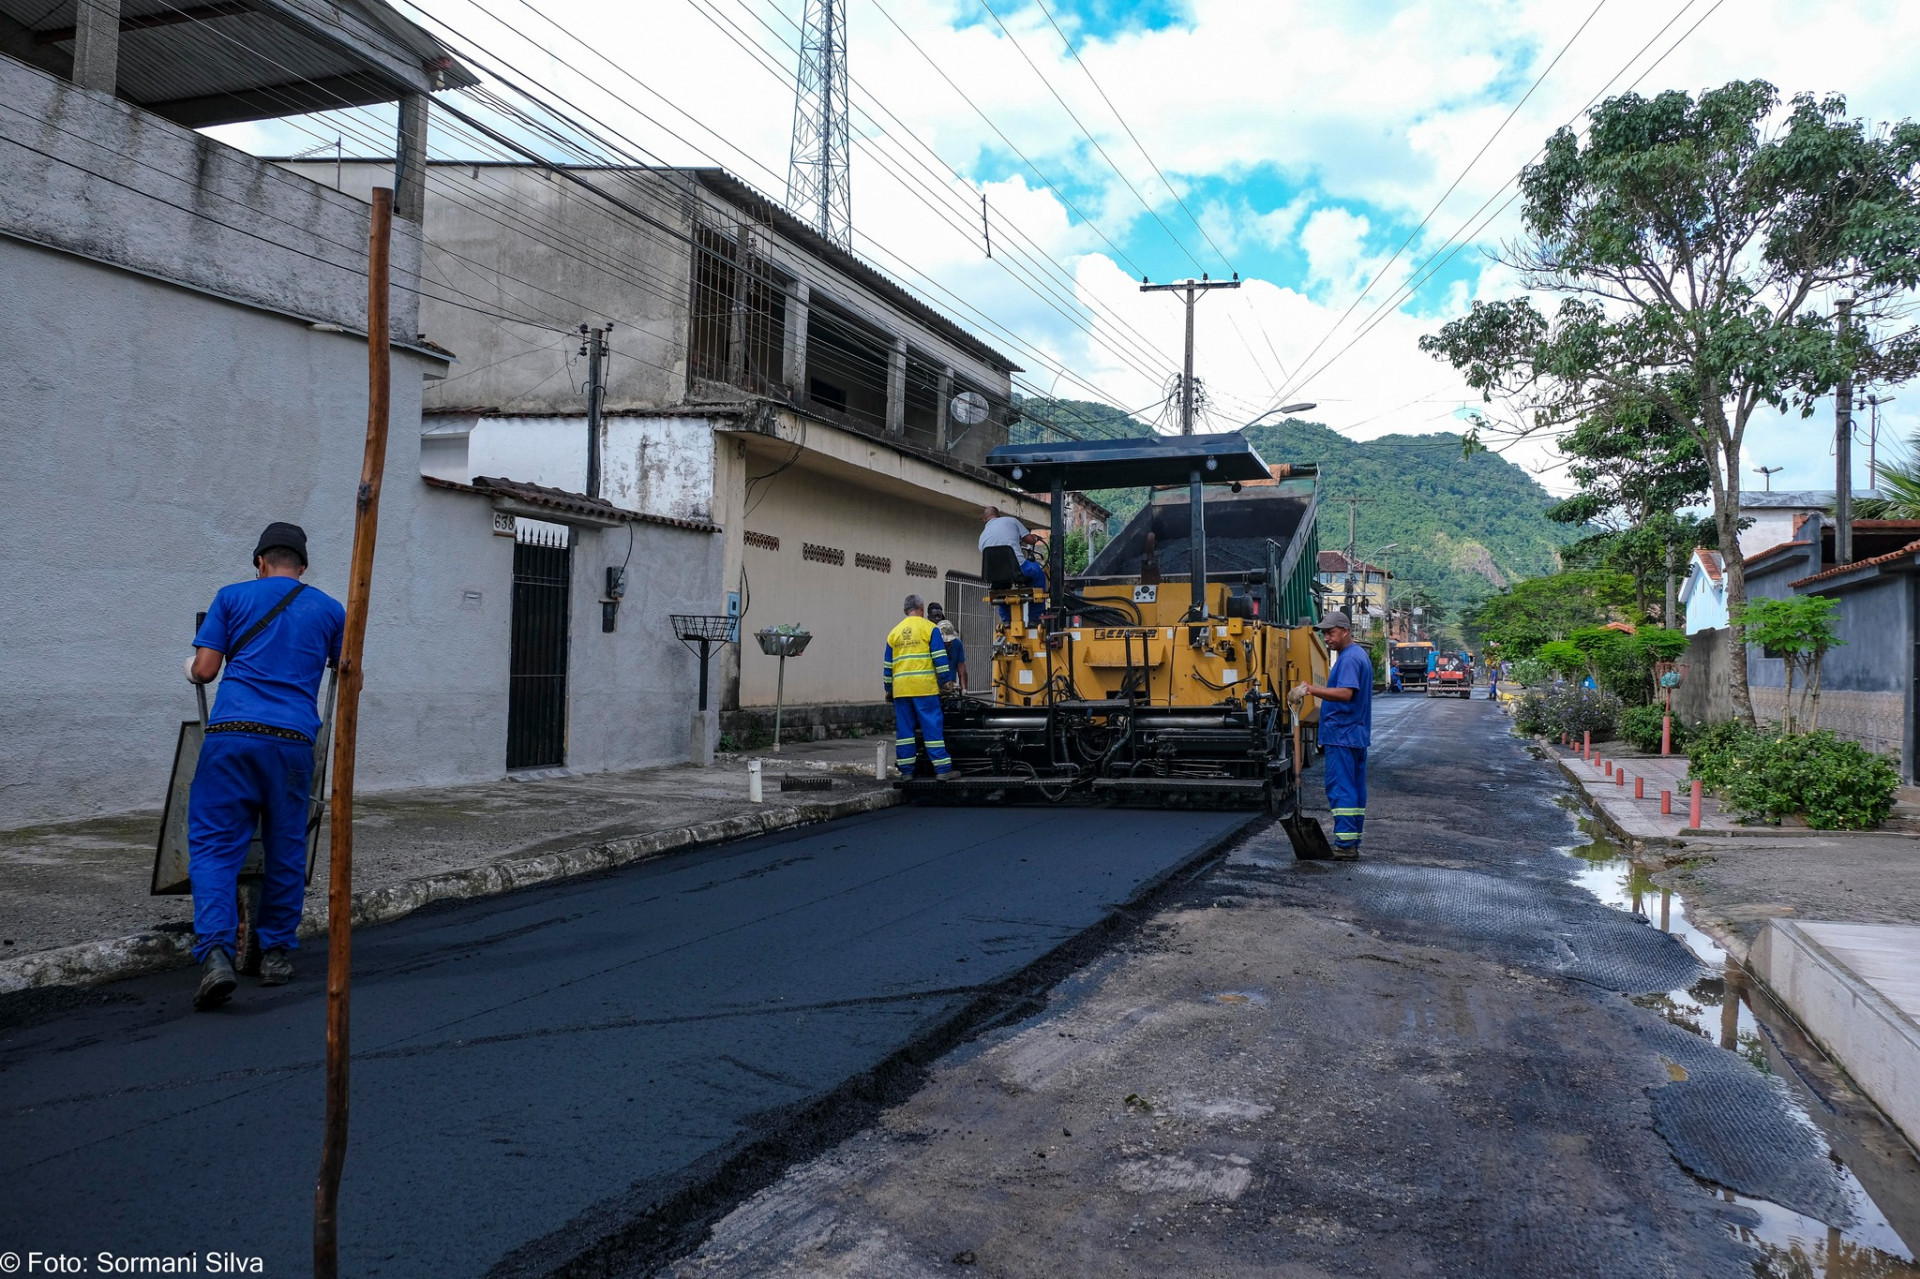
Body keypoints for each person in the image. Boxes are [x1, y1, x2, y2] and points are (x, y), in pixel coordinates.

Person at [184, 522, 345, 1010]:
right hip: (294, 741)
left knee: (214, 847)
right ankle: (275, 952)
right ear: (304, 566)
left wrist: (190, 668)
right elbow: (346, 672)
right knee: (287, 844)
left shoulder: (232, 597)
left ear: (259, 562)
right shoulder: (330, 609)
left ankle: (215, 953)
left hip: (231, 737)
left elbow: (206, 670)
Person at [1292, 609, 1372, 860]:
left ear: (1345, 631)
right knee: (1355, 789)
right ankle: (1351, 839)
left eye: (1331, 633)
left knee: (1341, 788)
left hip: (1342, 735)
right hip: (1355, 734)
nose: (1326, 638)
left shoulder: (1348, 658)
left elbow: (1346, 693)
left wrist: (1310, 690)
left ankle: (1345, 846)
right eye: (1324, 633)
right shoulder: (1359, 655)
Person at [884, 594, 954, 780]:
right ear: (922, 609)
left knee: (905, 731)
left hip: (901, 690)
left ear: (905, 610)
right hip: (924, 689)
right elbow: (940, 658)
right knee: (932, 727)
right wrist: (946, 681)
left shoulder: (894, 633)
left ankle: (906, 772)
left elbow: (888, 666)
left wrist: (889, 689)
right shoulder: (930, 629)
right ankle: (942, 769)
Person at [926, 601, 967, 692]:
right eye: (934, 616)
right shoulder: (927, 641)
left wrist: (964, 689)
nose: (937, 619)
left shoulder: (957, 644)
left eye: (939, 616)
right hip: (931, 688)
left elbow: (961, 667)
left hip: (950, 688)